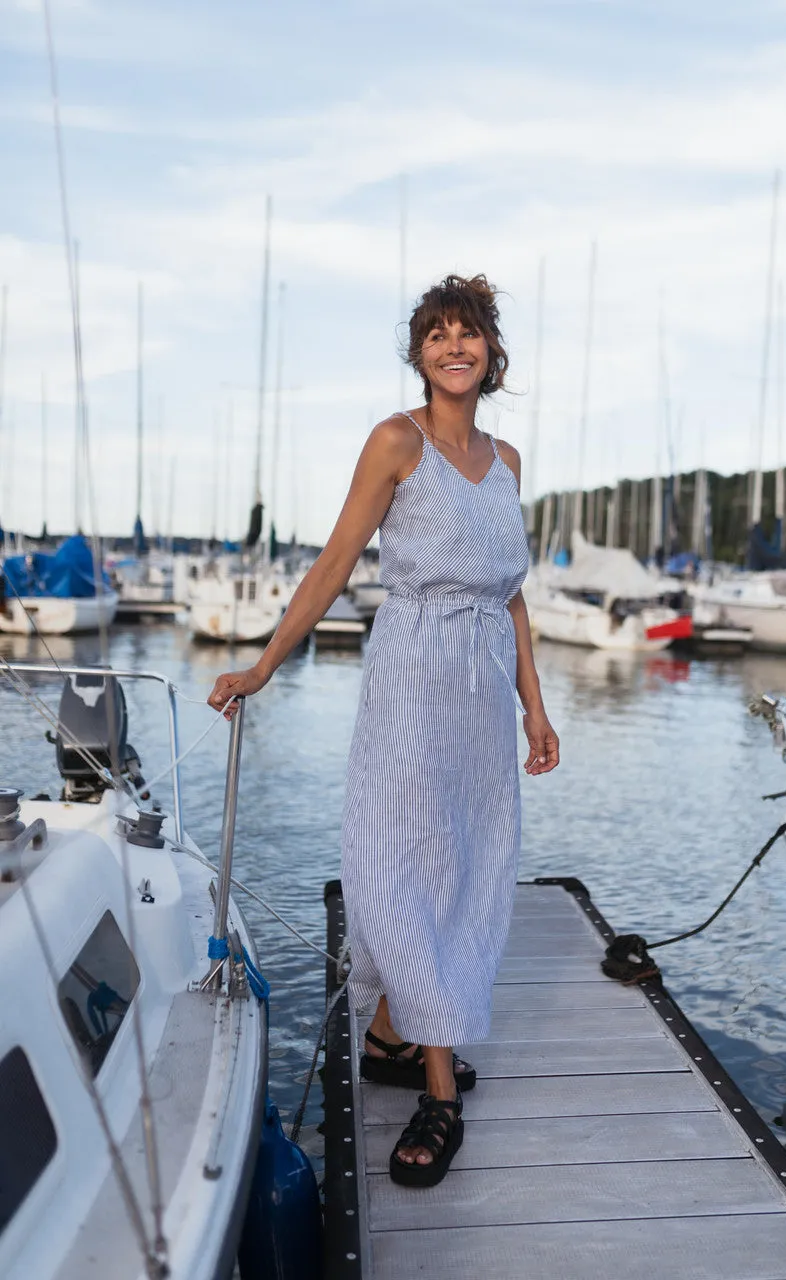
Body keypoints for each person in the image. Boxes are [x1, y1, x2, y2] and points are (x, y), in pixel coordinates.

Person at [208, 274, 559, 1188]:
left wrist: (534, 703)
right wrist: (265, 663)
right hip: (409, 674)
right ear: (420, 354)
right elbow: (333, 562)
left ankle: (393, 1038)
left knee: (470, 860)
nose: (455, 346)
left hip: (481, 689)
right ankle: (438, 1093)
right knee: (398, 861)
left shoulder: (509, 460)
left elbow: (511, 592)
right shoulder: (395, 442)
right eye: (437, 334)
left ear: (490, 353)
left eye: (469, 333)